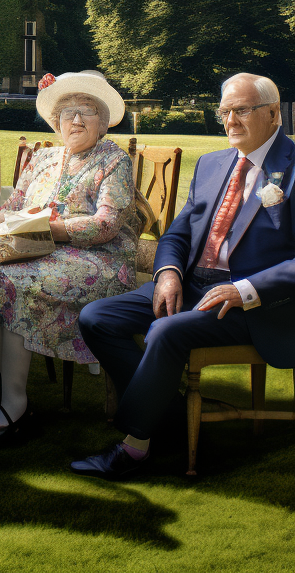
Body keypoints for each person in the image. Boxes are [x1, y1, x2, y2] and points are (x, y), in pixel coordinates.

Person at [72, 72, 295, 480]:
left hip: (254, 303)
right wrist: (169, 274)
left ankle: (135, 449)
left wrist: (246, 289)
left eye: (241, 110)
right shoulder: (213, 164)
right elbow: (178, 231)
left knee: (166, 332)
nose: (230, 120)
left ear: (273, 113)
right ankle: (167, 413)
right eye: (224, 111)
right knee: (97, 317)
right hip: (192, 285)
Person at [0, 71, 137, 444]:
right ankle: (16, 388)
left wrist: (51, 228)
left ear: (102, 122)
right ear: (56, 122)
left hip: (96, 257)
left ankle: (13, 403)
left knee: (16, 283)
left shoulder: (113, 158)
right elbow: (13, 207)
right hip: (33, 251)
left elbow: (107, 224)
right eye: (68, 113)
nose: (77, 120)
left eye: (87, 111)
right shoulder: (42, 158)